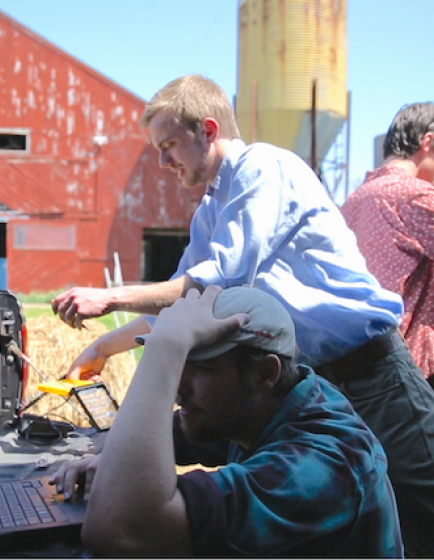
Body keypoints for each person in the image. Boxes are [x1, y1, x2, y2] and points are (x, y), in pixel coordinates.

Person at [51, 75, 434, 556]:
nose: (163, 161)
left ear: (207, 130)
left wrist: (109, 299)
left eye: (169, 145)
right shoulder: (212, 207)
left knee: (423, 515)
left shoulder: (263, 168)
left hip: (373, 373)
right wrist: (103, 347)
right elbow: (189, 301)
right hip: (304, 381)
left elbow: (222, 279)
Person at [51, 286, 403, 557]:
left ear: (266, 372)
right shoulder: (264, 404)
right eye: (180, 366)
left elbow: (125, 530)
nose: (177, 391)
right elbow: (167, 436)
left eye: (201, 368)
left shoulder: (324, 464)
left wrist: (165, 351)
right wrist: (114, 464)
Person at [342, 102, 434, 386]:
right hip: (414, 375)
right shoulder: (416, 196)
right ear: (428, 142)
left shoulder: (353, 201)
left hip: (361, 371)